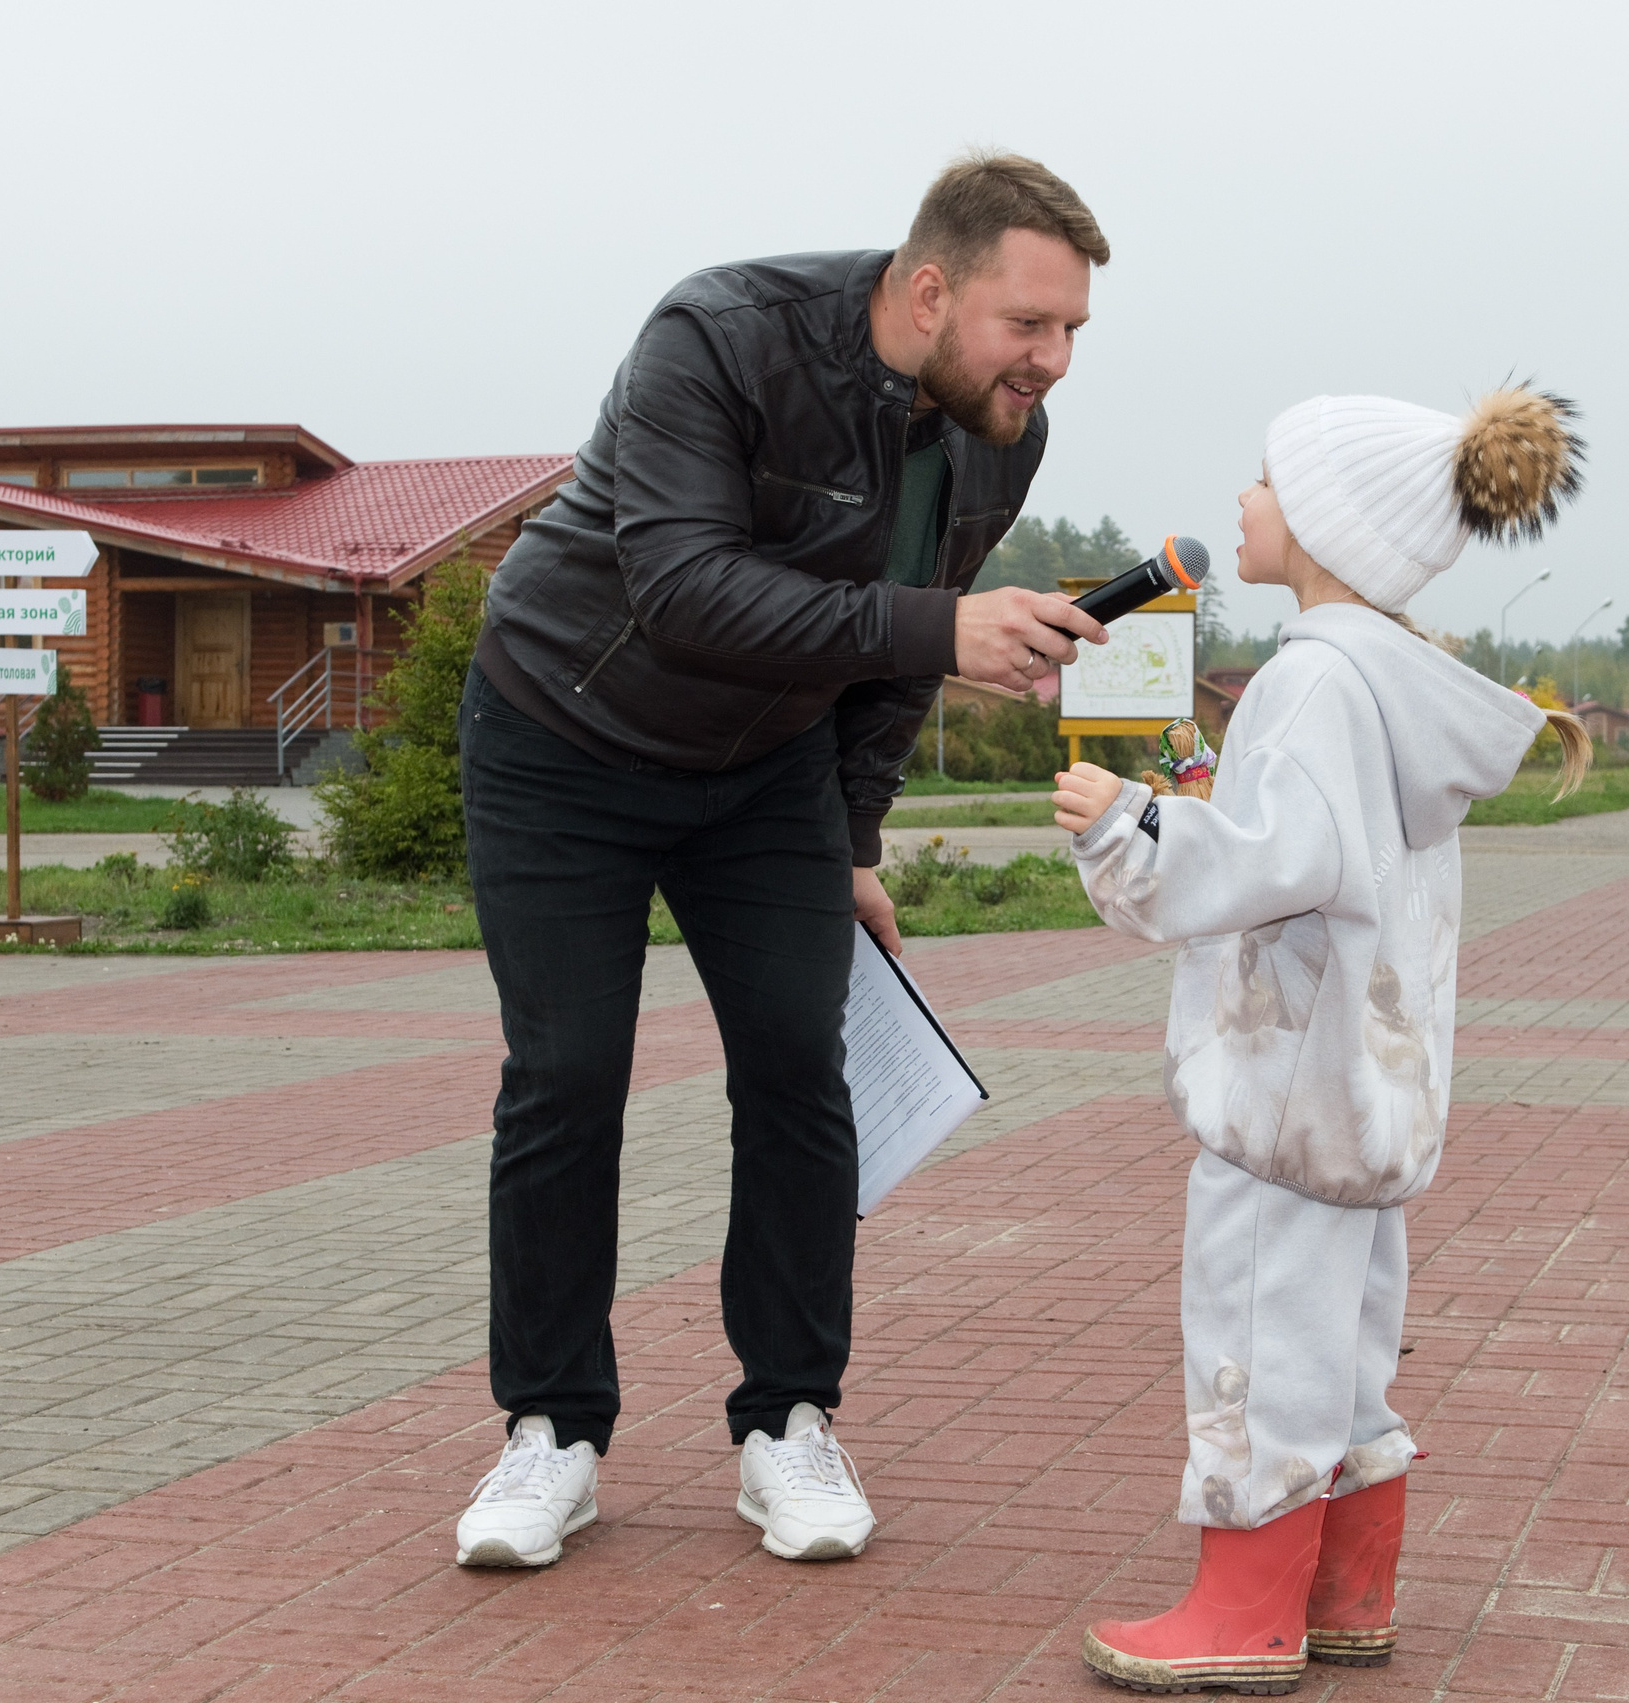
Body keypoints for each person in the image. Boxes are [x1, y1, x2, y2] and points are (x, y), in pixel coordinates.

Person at [450, 152, 1112, 1571]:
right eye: (1027, 324)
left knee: (802, 1069)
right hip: (563, 728)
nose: (1051, 361)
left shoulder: (999, 432)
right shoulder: (720, 336)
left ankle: (788, 1420)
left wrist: (853, 838)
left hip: (766, 772)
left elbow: (892, 666)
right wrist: (938, 627)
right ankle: (551, 1431)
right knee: (567, 1073)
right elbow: (682, 585)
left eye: (1071, 331)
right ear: (928, 291)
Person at [1053, 389, 1590, 1691]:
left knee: (1254, 1329)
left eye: (1265, 478)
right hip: (1364, 1091)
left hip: (1283, 1094)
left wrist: (1125, 824)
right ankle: (1348, 1586)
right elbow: (1326, 854)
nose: (1243, 498)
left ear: (1324, 520)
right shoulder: (1391, 684)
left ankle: (1244, 1608)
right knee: (1341, 1343)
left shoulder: (1307, 678)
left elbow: (1271, 864)